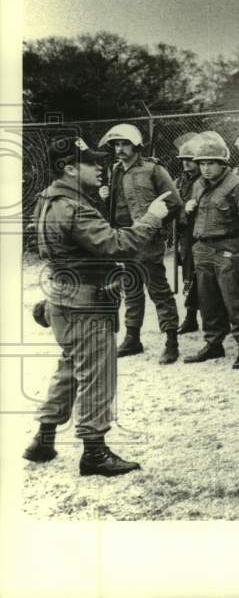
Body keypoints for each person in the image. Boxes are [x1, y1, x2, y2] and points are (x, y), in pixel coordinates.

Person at [24, 135, 172, 476]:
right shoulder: (74, 207)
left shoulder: (49, 200)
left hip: (63, 298)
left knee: (69, 368)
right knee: (97, 375)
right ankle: (94, 452)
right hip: (86, 304)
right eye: (91, 163)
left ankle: (44, 438)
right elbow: (118, 245)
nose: (100, 167)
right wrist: (151, 217)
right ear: (70, 168)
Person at [97, 123, 182, 364]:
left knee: (159, 291)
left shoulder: (153, 170)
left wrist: (157, 227)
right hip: (123, 239)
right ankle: (132, 339)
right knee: (132, 291)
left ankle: (171, 341)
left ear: (136, 146)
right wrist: (106, 198)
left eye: (124, 144)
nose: (120, 149)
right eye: (116, 145)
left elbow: (174, 202)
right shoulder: (115, 170)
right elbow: (116, 208)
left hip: (147, 241)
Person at [182, 132, 239, 369]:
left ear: (222, 164)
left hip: (228, 247)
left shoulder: (237, 187)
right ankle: (213, 343)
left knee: (235, 300)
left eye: (210, 163)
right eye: (202, 163)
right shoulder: (197, 185)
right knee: (208, 300)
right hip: (203, 247)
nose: (205, 168)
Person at [173, 132, 202, 336]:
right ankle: (191, 317)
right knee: (189, 276)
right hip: (185, 234)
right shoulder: (180, 181)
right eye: (182, 160)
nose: (185, 164)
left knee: (202, 276)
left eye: (189, 160)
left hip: (200, 233)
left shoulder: (204, 181)